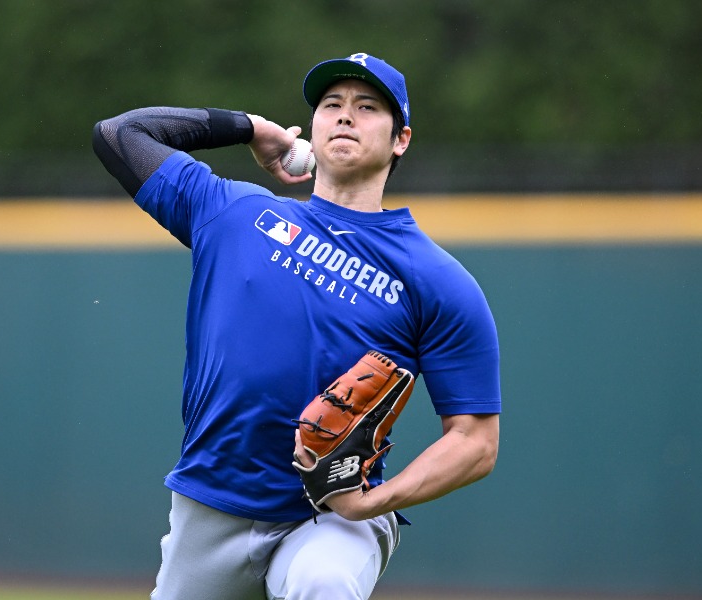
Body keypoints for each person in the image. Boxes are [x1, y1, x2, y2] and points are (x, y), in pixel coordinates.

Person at [92, 52, 501, 600]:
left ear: (401, 138)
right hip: (212, 500)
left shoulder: (436, 280)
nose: (345, 116)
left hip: (331, 516)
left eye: (367, 106)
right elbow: (121, 135)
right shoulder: (234, 213)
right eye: (331, 105)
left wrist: (374, 503)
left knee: (322, 583)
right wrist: (250, 128)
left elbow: (475, 441)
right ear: (312, 127)